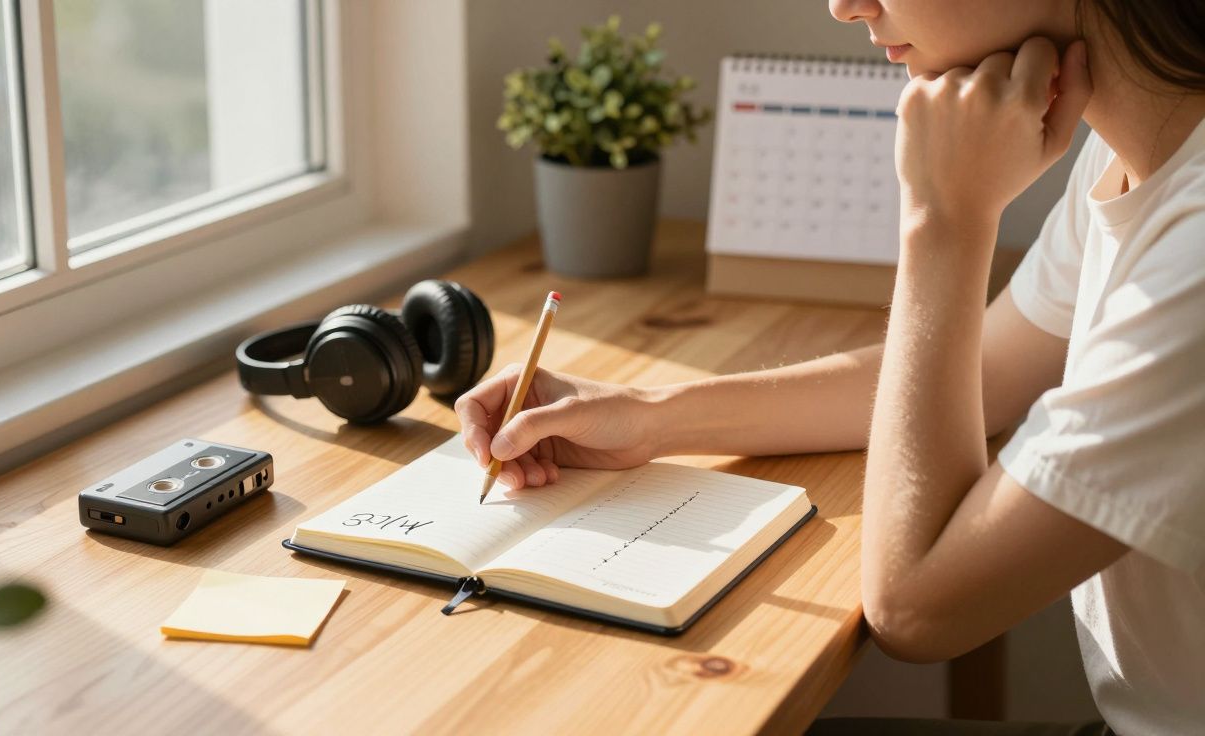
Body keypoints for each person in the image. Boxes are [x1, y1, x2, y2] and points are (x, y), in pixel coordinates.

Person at [456, 1, 1205, 732]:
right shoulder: (1130, 153)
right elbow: (983, 371)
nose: (845, 6)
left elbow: (915, 609)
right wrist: (648, 415)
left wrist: (943, 221)